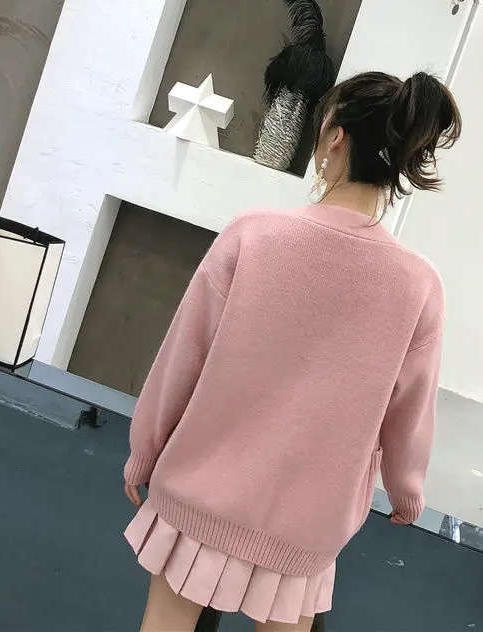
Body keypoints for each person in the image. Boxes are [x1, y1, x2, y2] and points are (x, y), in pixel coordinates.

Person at [124, 71, 462, 632]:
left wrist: (145, 450)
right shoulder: (418, 285)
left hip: (200, 490)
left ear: (335, 137)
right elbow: (410, 409)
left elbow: (183, 356)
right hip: (308, 522)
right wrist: (407, 488)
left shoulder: (252, 235)